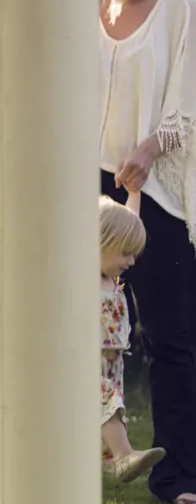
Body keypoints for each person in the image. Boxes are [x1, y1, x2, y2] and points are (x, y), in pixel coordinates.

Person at [99, 0, 196, 504]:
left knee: (170, 338)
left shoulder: (181, 9)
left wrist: (149, 149)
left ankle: (178, 475)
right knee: (75, 331)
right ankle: (101, 452)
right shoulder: (83, 6)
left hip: (153, 188)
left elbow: (188, 102)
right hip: (88, 191)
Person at [99, 195, 165, 483]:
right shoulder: (82, 276)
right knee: (104, 404)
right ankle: (124, 456)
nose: (132, 260)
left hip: (112, 367)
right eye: (126, 253)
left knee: (105, 415)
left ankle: (107, 461)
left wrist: (134, 193)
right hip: (85, 363)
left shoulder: (111, 279)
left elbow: (128, 222)